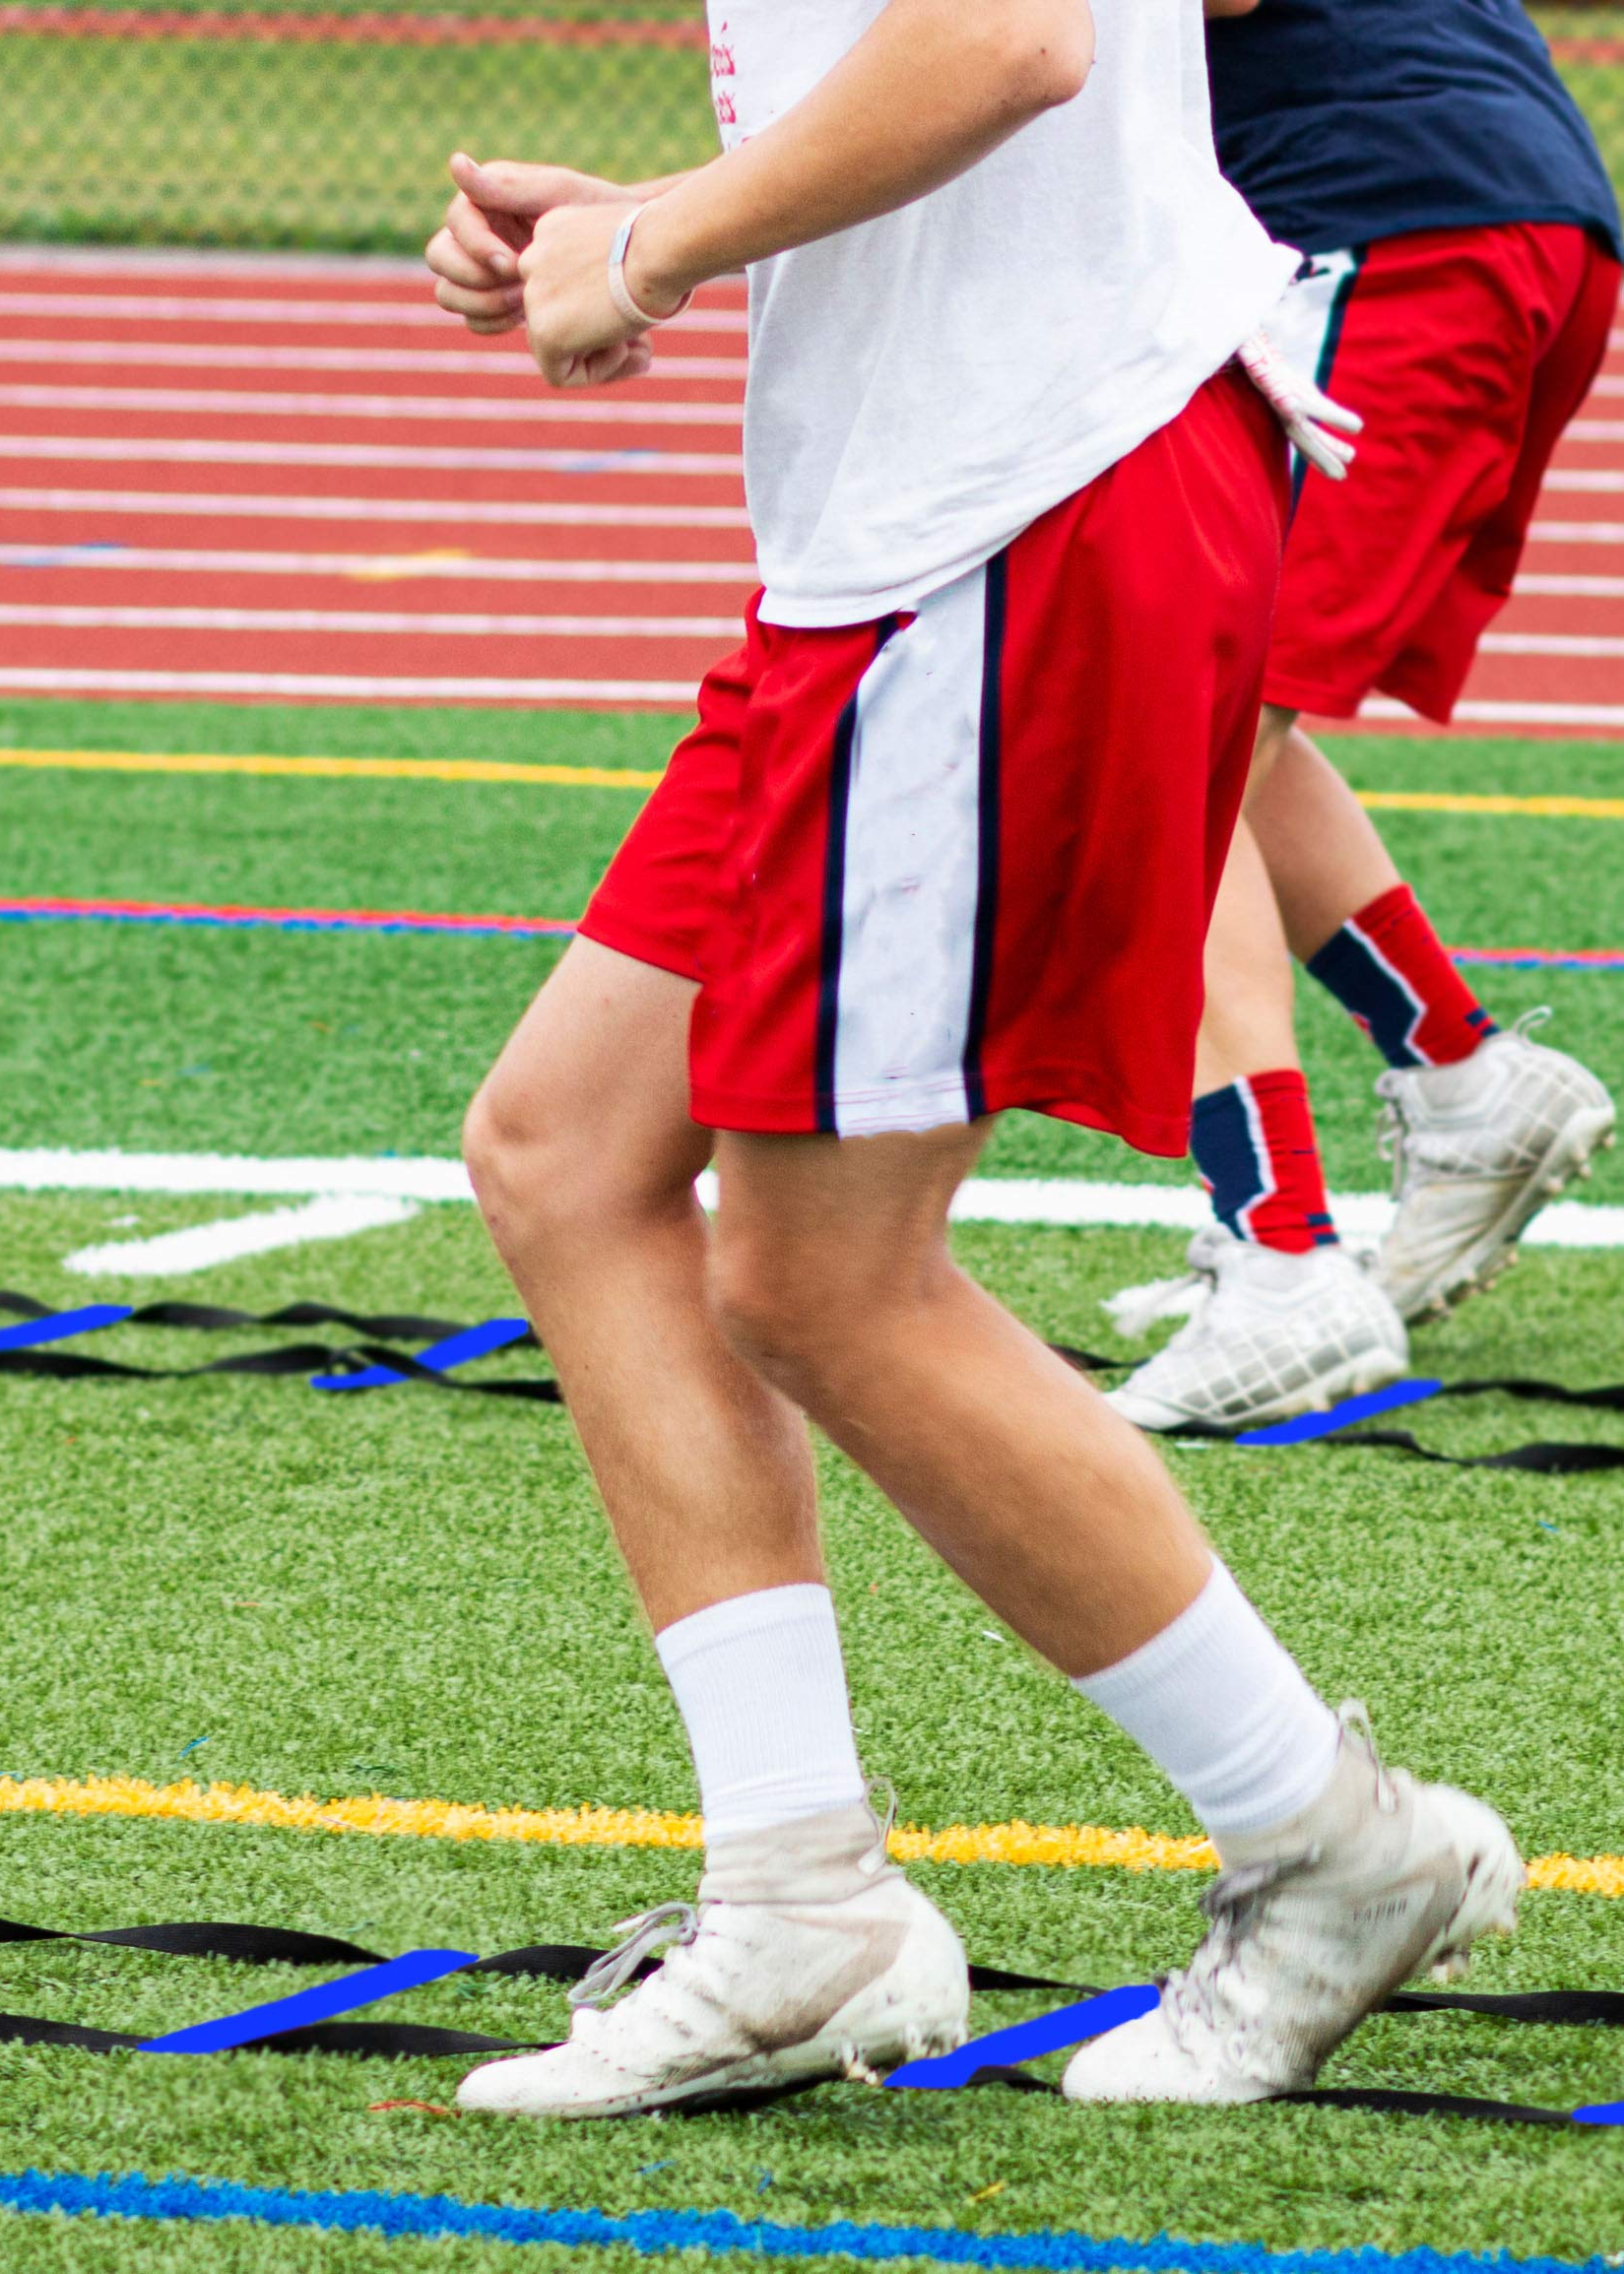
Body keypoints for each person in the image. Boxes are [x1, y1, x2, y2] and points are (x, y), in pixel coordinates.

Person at [424, 0, 1520, 2117]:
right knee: (567, 1153)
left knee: (825, 1277)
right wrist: (673, 219)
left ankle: (1330, 1844)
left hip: (1021, 511)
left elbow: (1009, 38)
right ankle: (804, 1901)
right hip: (936, 519)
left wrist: (650, 249)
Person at [1106, 0, 1621, 1435]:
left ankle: (1279, 1251)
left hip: (1387, 206)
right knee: (1210, 703)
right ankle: (1459, 1079)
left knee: (1163, 733)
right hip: (1451, 192)